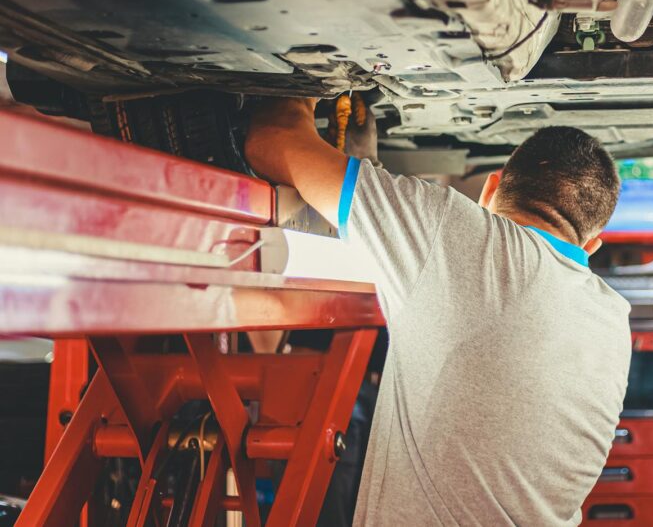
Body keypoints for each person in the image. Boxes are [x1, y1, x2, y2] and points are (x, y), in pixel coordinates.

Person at [245, 98, 631, 526]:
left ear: (489, 189)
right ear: (590, 246)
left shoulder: (459, 235)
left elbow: (271, 140)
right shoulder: (613, 321)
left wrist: (306, 89)